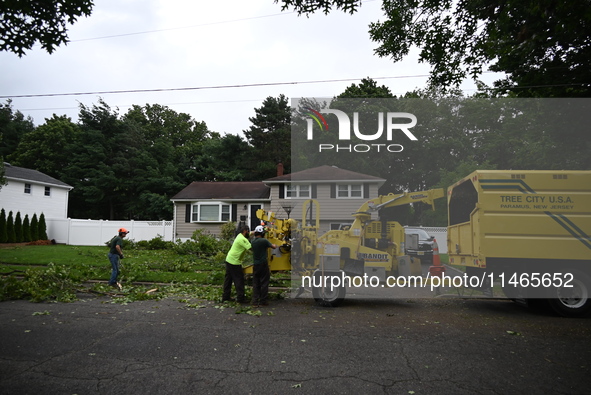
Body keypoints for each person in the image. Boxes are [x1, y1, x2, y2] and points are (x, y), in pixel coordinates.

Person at [222, 225, 251, 303]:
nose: (249, 232)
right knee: (239, 280)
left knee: (228, 280)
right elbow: (251, 248)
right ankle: (241, 299)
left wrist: (254, 233)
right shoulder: (242, 239)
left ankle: (225, 297)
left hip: (229, 259)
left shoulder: (239, 236)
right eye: (248, 231)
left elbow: (249, 235)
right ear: (245, 231)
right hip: (234, 262)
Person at [251, 225, 277, 307]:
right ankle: (263, 301)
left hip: (255, 264)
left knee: (256, 283)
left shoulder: (253, 241)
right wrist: (275, 244)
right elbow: (273, 246)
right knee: (264, 283)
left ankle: (255, 301)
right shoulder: (264, 241)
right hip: (263, 264)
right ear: (262, 233)